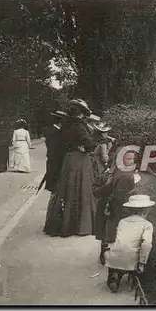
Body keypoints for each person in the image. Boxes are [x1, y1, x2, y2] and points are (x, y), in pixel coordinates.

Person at [42, 99, 97, 237]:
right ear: (82, 113)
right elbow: (89, 144)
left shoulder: (65, 125)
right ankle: (80, 226)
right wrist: (86, 147)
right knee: (82, 190)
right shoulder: (79, 125)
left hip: (68, 160)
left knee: (68, 191)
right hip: (80, 160)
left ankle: (66, 224)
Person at [93, 149, 142, 265]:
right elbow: (96, 192)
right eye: (128, 159)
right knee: (108, 232)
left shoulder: (134, 176)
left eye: (133, 159)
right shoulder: (108, 175)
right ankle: (105, 251)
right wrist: (107, 185)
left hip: (124, 208)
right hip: (109, 208)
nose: (131, 162)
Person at [103, 194, 155, 293]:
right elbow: (147, 244)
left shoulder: (122, 221)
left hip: (114, 257)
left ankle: (114, 276)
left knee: (119, 258)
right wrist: (142, 263)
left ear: (130, 209)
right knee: (142, 253)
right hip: (131, 259)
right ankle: (137, 277)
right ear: (146, 211)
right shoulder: (147, 225)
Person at [40, 110, 68, 221]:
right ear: (61, 121)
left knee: (55, 192)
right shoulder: (54, 133)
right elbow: (53, 152)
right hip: (55, 165)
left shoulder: (53, 131)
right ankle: (50, 219)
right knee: (55, 193)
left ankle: (52, 218)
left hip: (53, 164)